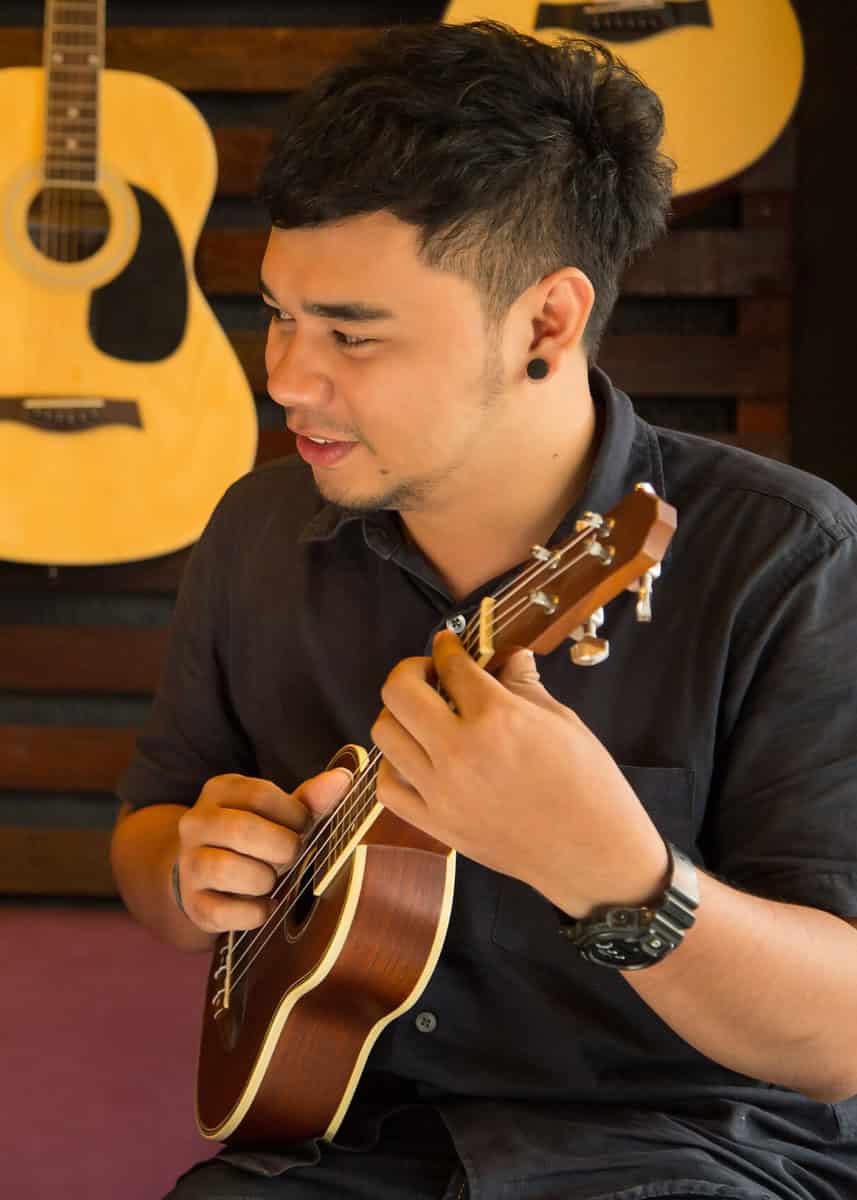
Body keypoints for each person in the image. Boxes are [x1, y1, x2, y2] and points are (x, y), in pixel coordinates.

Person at [111, 20, 857, 1200]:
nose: (287, 377)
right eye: (278, 315)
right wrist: (189, 865)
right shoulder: (256, 535)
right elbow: (152, 840)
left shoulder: (786, 558)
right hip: (332, 1158)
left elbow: (839, 1035)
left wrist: (614, 871)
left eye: (352, 333)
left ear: (545, 324)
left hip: (695, 1163)